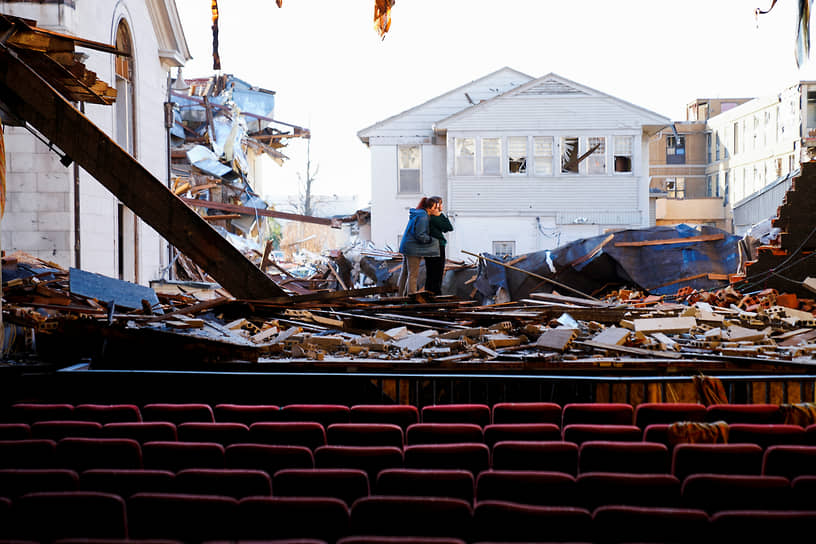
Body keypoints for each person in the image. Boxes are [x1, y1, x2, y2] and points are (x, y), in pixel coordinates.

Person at [397, 197, 440, 295]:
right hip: (413, 249)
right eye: (436, 207)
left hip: (406, 246)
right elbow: (420, 235)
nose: (438, 210)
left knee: (405, 273)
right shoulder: (423, 217)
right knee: (413, 275)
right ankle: (411, 297)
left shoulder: (418, 213)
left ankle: (399, 296)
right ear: (431, 207)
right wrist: (431, 240)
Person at [424, 196, 453, 295]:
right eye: (439, 205)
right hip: (437, 246)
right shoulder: (433, 218)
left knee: (431, 272)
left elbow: (446, 228)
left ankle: (430, 293)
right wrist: (440, 214)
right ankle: (435, 294)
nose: (441, 207)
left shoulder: (429, 217)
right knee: (437, 272)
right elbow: (448, 227)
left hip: (430, 246)